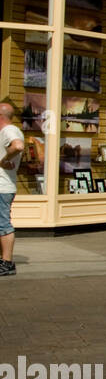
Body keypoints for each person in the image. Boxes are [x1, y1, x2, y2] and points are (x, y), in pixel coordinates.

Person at [0, 102, 25, 276]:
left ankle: (7, 263)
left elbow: (18, 146)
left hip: (3, 187)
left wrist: (4, 159)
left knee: (3, 225)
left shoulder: (9, 131)